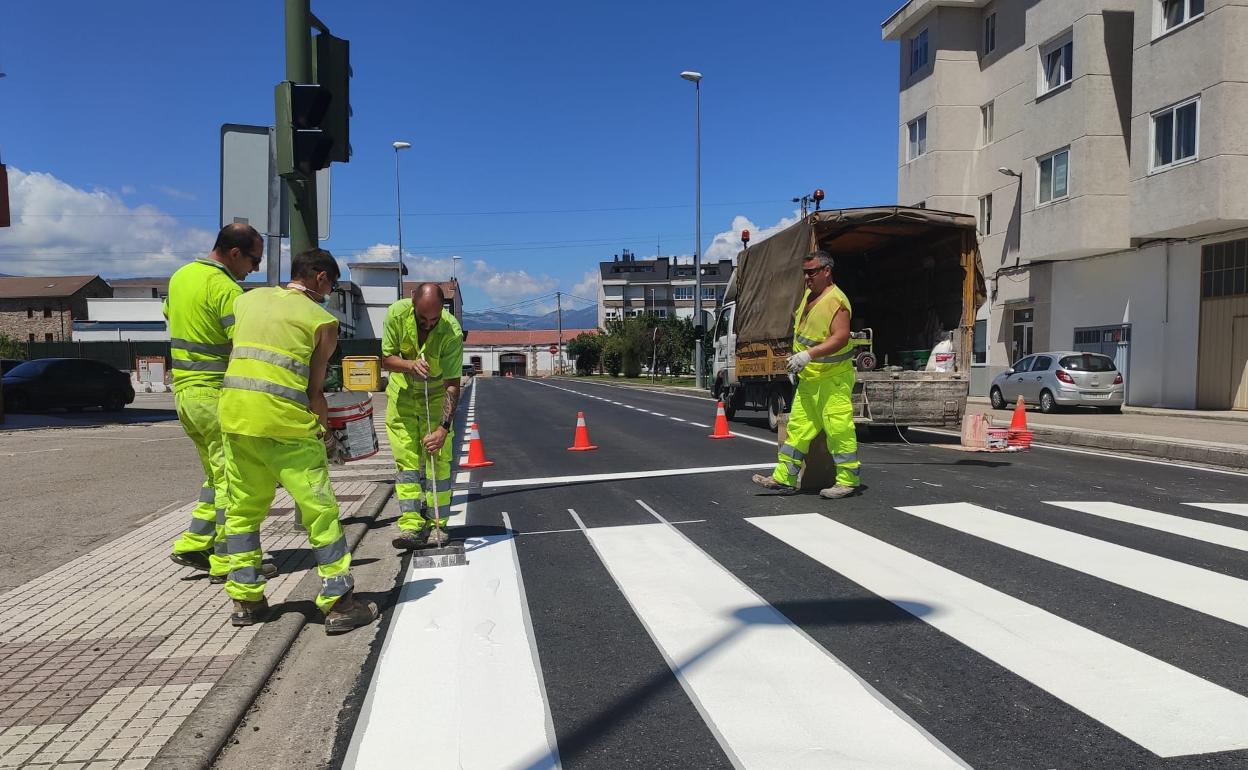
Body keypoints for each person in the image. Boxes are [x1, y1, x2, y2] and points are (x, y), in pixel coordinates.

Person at [217, 248, 377, 633]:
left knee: (242, 510)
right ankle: (339, 603)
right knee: (319, 511)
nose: (332, 292)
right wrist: (323, 432)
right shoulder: (321, 320)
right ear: (319, 277)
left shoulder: (247, 300)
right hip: (286, 424)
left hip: (236, 418)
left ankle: (246, 599)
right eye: (333, 284)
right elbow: (315, 389)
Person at [166, 223, 276, 584]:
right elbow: (243, 346)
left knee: (215, 476)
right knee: (234, 479)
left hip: (185, 396)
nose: (255, 268)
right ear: (234, 254)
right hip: (215, 394)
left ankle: (196, 542)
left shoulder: (180, 277)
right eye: (253, 260)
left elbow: (174, 317)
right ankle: (228, 560)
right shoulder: (226, 290)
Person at [752, 250, 861, 498]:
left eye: (812, 272)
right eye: (805, 273)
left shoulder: (837, 301)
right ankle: (785, 477)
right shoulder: (809, 297)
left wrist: (808, 356)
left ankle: (847, 481)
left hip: (832, 379)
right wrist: (796, 363)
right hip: (810, 379)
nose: (807, 278)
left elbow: (841, 337)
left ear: (826, 271)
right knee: (798, 429)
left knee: (838, 429)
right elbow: (804, 334)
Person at [380, 282, 464, 550]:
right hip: (403, 398)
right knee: (407, 464)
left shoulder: (451, 331)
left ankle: (438, 526)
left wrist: (443, 429)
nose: (428, 325)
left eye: (434, 319)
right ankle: (411, 526)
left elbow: (452, 383)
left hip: (436, 397)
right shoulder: (395, 314)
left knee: (437, 463)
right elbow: (385, 358)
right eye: (422, 319)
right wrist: (408, 364)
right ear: (412, 303)